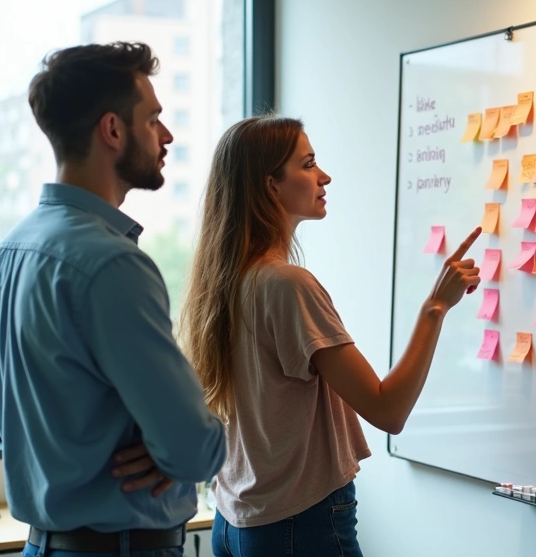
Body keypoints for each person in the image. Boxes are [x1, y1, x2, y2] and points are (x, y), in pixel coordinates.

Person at [178, 114, 481, 556]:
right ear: (271, 185)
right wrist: (435, 308)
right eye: (308, 164)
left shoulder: (225, 282)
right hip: (297, 524)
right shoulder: (287, 284)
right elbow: (388, 409)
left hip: (236, 521)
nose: (324, 176)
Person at [0, 42, 226, 557]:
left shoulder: (7, 255)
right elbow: (194, 450)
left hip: (44, 545)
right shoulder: (112, 265)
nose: (166, 135)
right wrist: (186, 441)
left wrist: (170, 445)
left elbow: (24, 421)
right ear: (112, 129)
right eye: (152, 119)